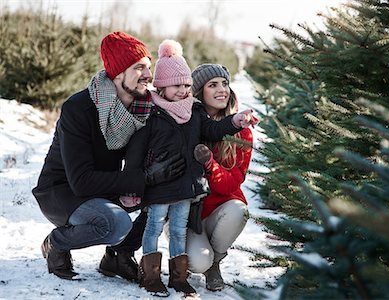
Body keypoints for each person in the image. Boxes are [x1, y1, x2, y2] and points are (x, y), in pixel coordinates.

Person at [31, 32, 185, 281]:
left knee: (164, 195)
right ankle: (57, 243)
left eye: (149, 66)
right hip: (63, 192)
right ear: (118, 73)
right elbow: (81, 181)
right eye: (139, 68)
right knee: (116, 223)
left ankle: (118, 257)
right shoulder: (79, 108)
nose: (148, 75)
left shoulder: (141, 108)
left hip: (104, 187)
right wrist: (145, 177)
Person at [120, 40, 258, 297]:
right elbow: (136, 154)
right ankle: (150, 275)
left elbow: (214, 130)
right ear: (161, 86)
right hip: (160, 187)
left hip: (186, 187)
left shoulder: (194, 112)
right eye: (177, 85)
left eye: (186, 85)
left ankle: (179, 277)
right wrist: (134, 184)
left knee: (177, 229)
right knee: (153, 226)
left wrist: (236, 121)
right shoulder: (153, 114)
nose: (183, 90)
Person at [185, 63, 254, 291]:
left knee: (239, 210)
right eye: (212, 85)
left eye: (225, 84)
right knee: (197, 263)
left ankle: (215, 263)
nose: (221, 89)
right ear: (199, 92)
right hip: (189, 215)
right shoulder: (187, 126)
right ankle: (199, 258)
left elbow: (229, 185)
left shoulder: (241, 132)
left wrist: (209, 162)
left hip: (222, 210)